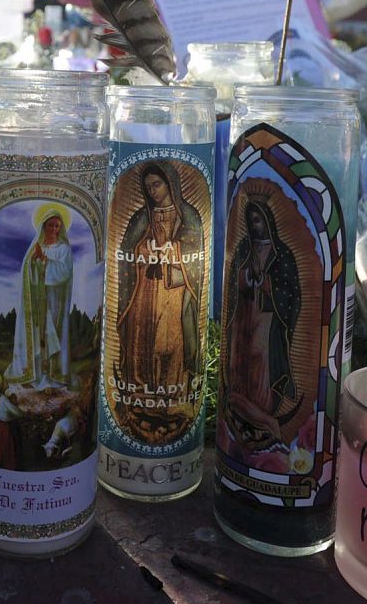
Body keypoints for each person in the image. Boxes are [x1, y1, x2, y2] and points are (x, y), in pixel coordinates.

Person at [115, 163, 204, 434]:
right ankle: (141, 397)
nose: (153, 191)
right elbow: (127, 249)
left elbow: (193, 248)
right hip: (144, 290)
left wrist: (170, 250)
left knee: (169, 342)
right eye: (148, 186)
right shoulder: (142, 217)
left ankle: (172, 399)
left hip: (174, 291)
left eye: (158, 184)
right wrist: (146, 250)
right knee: (141, 338)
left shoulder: (187, 215)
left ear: (170, 184)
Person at [223, 196, 302, 453]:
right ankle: (241, 407)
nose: (254, 225)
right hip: (244, 314)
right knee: (241, 360)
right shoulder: (245, 247)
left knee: (260, 360)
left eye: (258, 220)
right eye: (250, 220)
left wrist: (268, 285)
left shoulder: (282, 253)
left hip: (268, 319)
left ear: (268, 221)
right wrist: (246, 277)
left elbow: (292, 292)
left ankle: (262, 410)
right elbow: (235, 278)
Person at [8, 204, 73, 388]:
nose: (53, 229)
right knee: (37, 334)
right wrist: (35, 262)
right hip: (37, 299)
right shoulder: (36, 247)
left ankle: (50, 374)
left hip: (53, 300)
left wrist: (45, 261)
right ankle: (35, 373)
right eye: (50, 225)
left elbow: (64, 271)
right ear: (43, 226)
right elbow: (27, 271)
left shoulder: (63, 249)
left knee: (50, 335)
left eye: (57, 226)